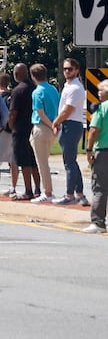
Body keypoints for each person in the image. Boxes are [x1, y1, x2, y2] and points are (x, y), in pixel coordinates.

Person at [53, 58, 87, 206]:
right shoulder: (68, 86)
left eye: (70, 69)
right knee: (71, 161)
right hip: (69, 124)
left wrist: (56, 121)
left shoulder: (75, 88)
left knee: (69, 163)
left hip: (71, 124)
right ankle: (79, 193)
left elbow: (68, 110)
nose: (67, 71)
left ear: (76, 70)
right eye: (65, 68)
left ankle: (69, 194)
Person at [6, 63, 39, 200]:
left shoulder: (17, 90)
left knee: (24, 161)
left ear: (17, 75)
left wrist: (11, 125)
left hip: (19, 129)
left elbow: (13, 112)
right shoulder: (34, 88)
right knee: (32, 160)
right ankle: (37, 188)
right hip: (31, 127)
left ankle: (28, 190)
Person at [29, 62, 60, 204]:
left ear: (33, 76)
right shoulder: (53, 89)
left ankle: (47, 192)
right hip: (52, 128)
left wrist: (51, 124)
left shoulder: (37, 91)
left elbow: (40, 112)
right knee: (44, 161)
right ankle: (46, 191)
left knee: (42, 163)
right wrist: (55, 125)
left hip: (42, 126)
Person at [84, 87, 108, 234]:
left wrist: (89, 149)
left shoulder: (101, 109)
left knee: (100, 187)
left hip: (104, 150)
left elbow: (94, 130)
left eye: (101, 90)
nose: (98, 92)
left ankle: (98, 222)